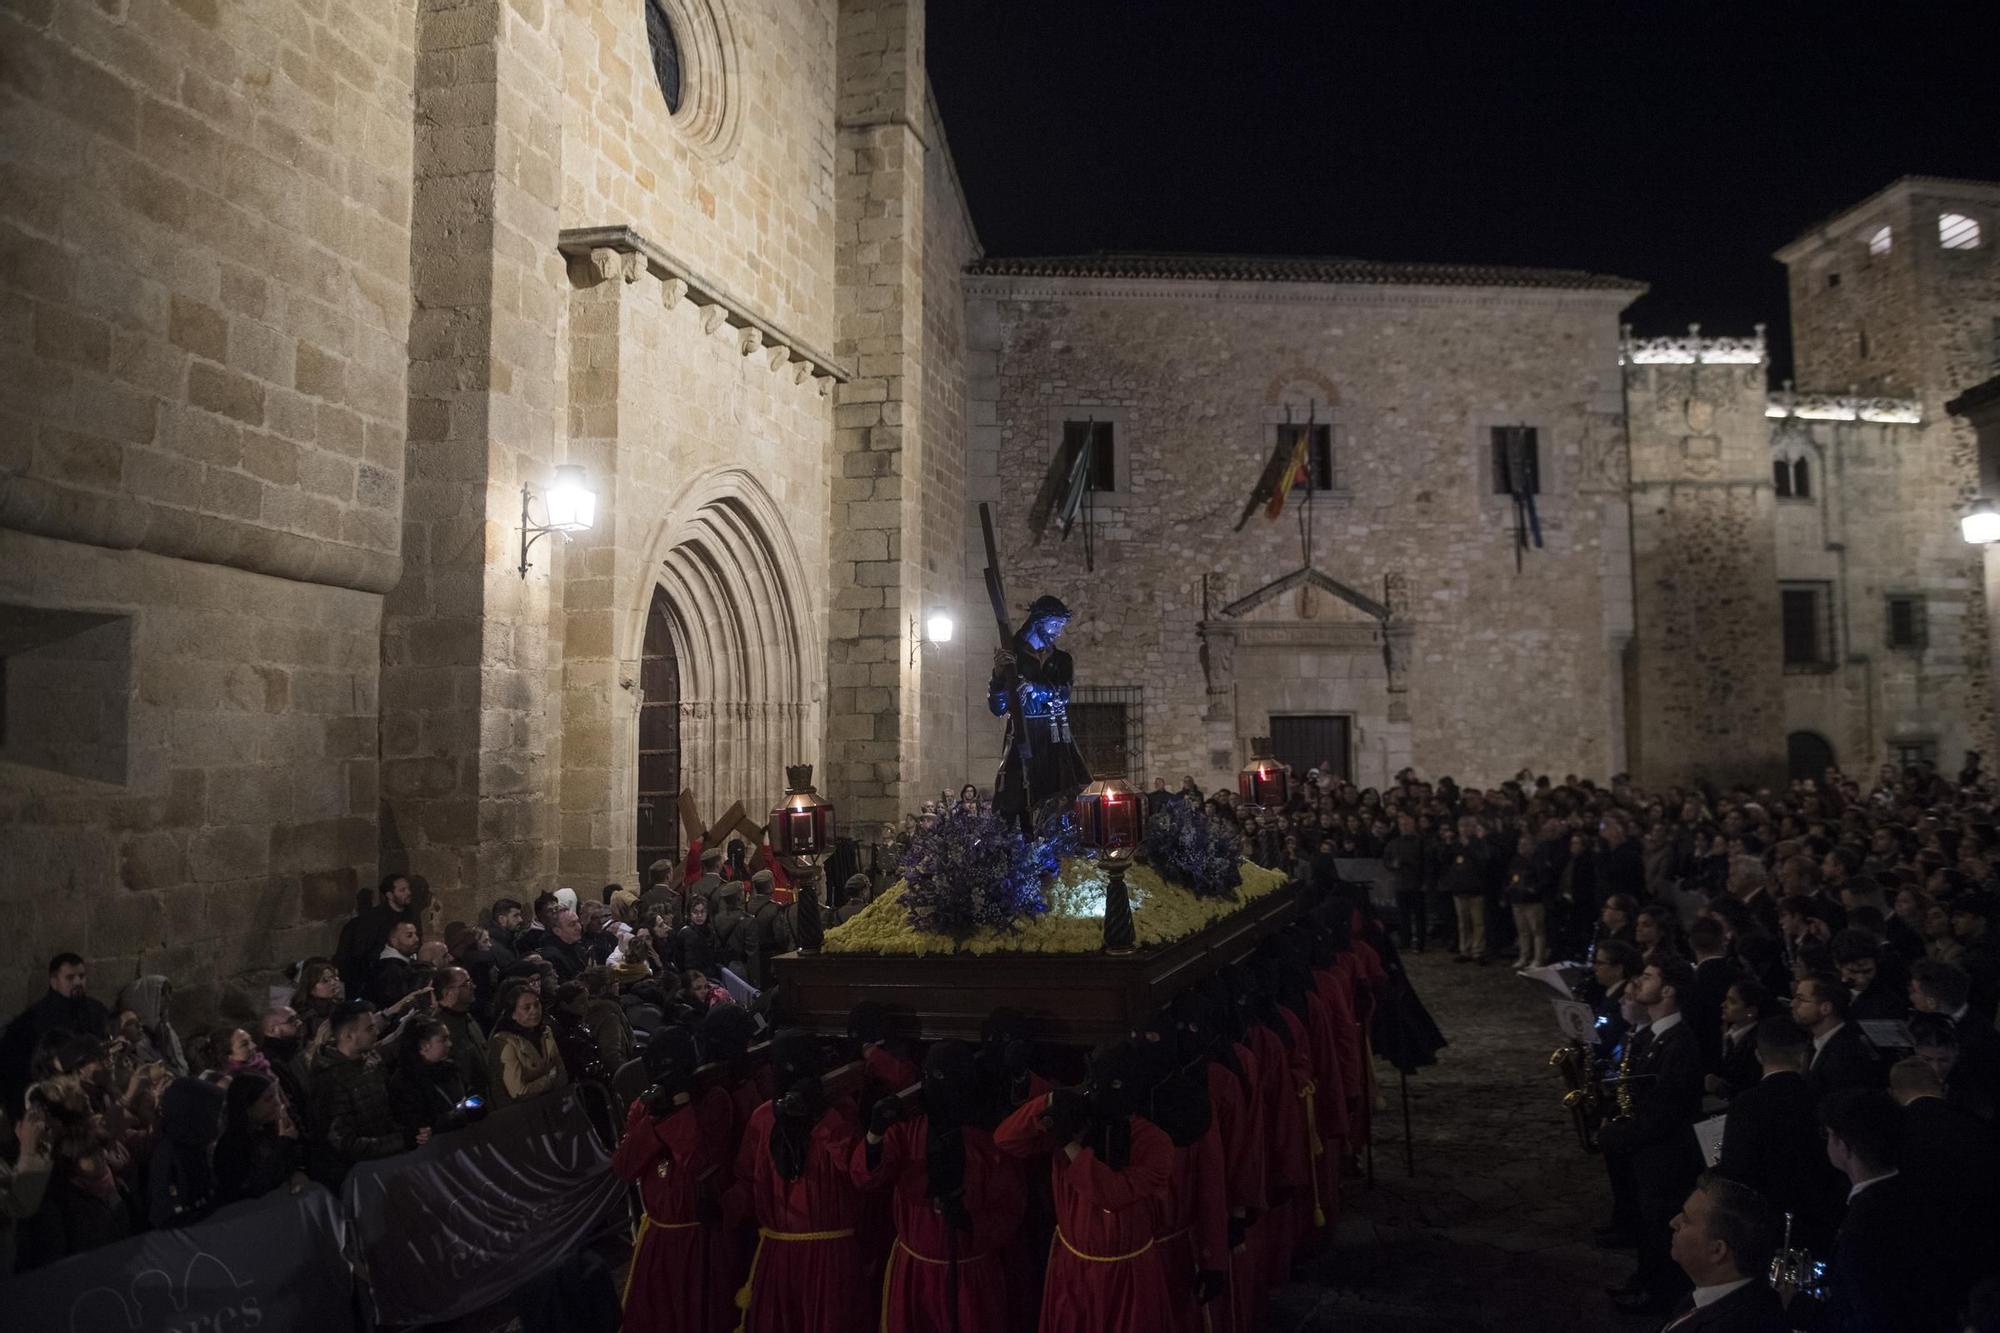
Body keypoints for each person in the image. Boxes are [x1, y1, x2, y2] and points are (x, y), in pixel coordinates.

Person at [995, 1040, 1175, 1333]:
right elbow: (1005, 1139)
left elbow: (1112, 1194)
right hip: (1074, 1267)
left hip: (1128, 1273)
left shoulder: (1155, 1142)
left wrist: (1069, 1143)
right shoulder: (1080, 1118)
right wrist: (1050, 1102)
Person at [854, 1040, 1027, 1333]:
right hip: (915, 1270)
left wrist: (970, 1221)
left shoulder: (989, 1144)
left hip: (969, 1275)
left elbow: (1010, 1209)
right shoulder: (908, 1132)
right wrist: (874, 1135)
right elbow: (866, 1177)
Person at [728, 1031, 869, 1333]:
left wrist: (821, 1117)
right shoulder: (764, 1118)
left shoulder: (839, 1112)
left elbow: (857, 1169)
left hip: (829, 1257)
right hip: (779, 1255)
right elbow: (747, 1177)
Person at [1783, 1089, 1957, 1332]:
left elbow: (1864, 1313)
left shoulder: (1864, 1224)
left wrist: (1797, 1307)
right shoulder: (1920, 1196)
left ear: (1844, 1146)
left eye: (1829, 1134)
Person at [1600, 957, 1705, 1315]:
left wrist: (1620, 1135)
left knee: (1660, 1227)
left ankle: (1657, 1295)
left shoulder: (1679, 1043)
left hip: (1665, 1156)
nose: (1638, 982)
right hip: (1647, 1152)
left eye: (1647, 977)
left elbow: (1665, 1112)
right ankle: (1644, 1281)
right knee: (1648, 1223)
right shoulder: (1653, 1034)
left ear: (1668, 990)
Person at [613, 1027, 731, 1333]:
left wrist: (681, 1110)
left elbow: (699, 1163)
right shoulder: (644, 1106)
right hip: (659, 1237)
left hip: (699, 1237)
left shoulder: (713, 1099)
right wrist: (653, 1121)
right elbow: (625, 1166)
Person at [1716, 1017, 1843, 1253]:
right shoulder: (1821, 1100)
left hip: (1762, 1220)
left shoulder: (1746, 1104)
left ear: (1758, 1055)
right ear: (1805, 1056)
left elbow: (1736, 1169)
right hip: (1816, 1216)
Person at [988, 594, 1092, 831]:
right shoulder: (1013, 657)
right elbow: (997, 708)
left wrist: (1034, 689)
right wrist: (997, 676)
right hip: (1023, 734)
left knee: (1065, 794)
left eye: (1060, 626)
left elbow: (1063, 695)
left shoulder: (1062, 660)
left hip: (1054, 736)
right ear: (1039, 621)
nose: (1058, 632)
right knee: (1015, 796)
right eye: (1054, 624)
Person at [1661, 1172, 1789, 1332]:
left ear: (1717, 1250)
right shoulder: (1713, 1298)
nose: (1673, 1222)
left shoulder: (1738, 1324)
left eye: (1686, 1220)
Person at [308, 1000, 416, 1188]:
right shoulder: (330, 1079)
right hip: (359, 1178)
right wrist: (400, 1141)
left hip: (386, 1165)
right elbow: (344, 1143)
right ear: (348, 1035)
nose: (376, 1032)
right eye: (369, 1029)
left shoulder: (371, 1059)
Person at [1, 952, 112, 1107]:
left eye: (81, 976)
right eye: (70, 978)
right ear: (54, 982)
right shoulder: (34, 1019)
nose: (78, 982)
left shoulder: (96, 1010)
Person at [146, 1076, 227, 1229]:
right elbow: (168, 1218)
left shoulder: (195, 1144)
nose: (219, 1121)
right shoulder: (170, 1158)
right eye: (214, 1114)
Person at [213, 1070, 304, 1203]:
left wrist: (297, 1172)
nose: (278, 1104)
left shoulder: (268, 1130)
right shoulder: (232, 1146)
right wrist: (284, 1143)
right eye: (268, 1099)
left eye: (276, 1096)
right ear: (247, 1108)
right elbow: (255, 1187)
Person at [1791, 972, 1878, 1101]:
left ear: (1825, 1008)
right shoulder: (1812, 1042)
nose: (1793, 1004)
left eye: (1801, 999)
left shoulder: (1847, 1053)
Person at [387, 1016, 476, 1139]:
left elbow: (471, 1095)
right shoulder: (404, 1082)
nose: (449, 1044)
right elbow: (418, 1125)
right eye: (443, 1040)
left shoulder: (450, 1069)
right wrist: (454, 1118)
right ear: (424, 1045)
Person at [489, 980, 569, 1109]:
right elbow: (519, 1092)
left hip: (552, 1106)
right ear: (513, 1014)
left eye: (537, 1005)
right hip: (521, 1114)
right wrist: (550, 1078)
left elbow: (560, 1069)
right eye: (527, 1007)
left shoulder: (545, 1032)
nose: (534, 1011)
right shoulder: (503, 1042)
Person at [433, 965, 490, 1096]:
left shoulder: (467, 1017)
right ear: (448, 993)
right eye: (466, 984)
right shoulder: (439, 1028)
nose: (473, 987)